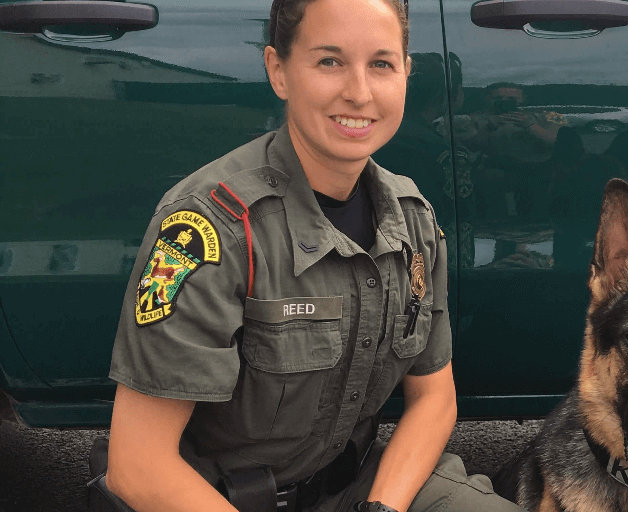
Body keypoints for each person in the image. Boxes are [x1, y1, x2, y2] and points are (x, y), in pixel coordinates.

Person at [100, 1, 529, 511]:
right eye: (329, 61)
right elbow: (137, 466)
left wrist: (381, 508)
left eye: (381, 64)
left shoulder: (411, 221)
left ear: (406, 74)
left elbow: (434, 398)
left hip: (353, 488)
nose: (359, 92)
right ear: (278, 70)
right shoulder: (211, 227)